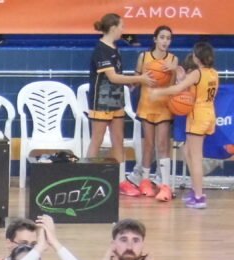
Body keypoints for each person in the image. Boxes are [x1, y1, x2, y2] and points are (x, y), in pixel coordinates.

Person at [85, 14, 154, 196]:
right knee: (97, 139)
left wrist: (130, 83)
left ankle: (120, 180)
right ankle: (87, 179)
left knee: (118, 139)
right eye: (122, 26)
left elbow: (118, 76)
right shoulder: (101, 49)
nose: (124, 30)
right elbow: (113, 77)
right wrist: (140, 78)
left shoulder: (115, 48)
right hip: (100, 101)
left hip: (117, 100)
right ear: (113, 28)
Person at [155, 42, 219, 209]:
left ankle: (199, 197)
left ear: (196, 58)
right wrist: (182, 76)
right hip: (209, 113)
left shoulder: (197, 73)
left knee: (196, 157)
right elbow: (196, 88)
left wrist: (159, 92)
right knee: (187, 151)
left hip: (198, 116)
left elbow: (177, 89)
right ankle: (196, 190)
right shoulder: (213, 73)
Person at [131, 25, 178, 201]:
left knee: (162, 144)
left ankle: (165, 184)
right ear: (155, 39)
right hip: (146, 104)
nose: (165, 41)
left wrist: (172, 71)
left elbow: (173, 86)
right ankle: (145, 181)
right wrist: (137, 81)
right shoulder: (143, 57)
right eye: (162, 37)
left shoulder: (173, 59)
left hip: (164, 106)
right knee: (148, 144)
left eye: (168, 38)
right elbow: (136, 80)